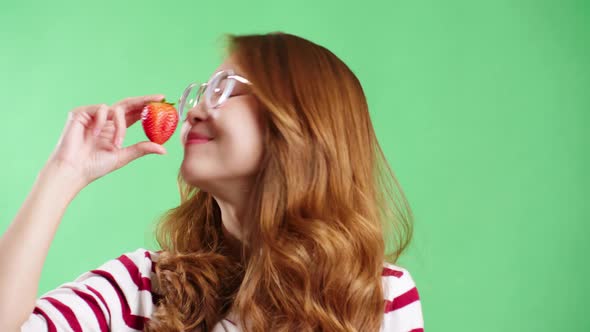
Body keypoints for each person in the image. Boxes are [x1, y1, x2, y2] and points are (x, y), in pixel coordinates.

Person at [0, 32, 424, 332]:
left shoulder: (379, 297)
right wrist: (63, 173)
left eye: (224, 89)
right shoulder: (142, 287)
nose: (194, 112)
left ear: (301, 121)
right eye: (200, 93)